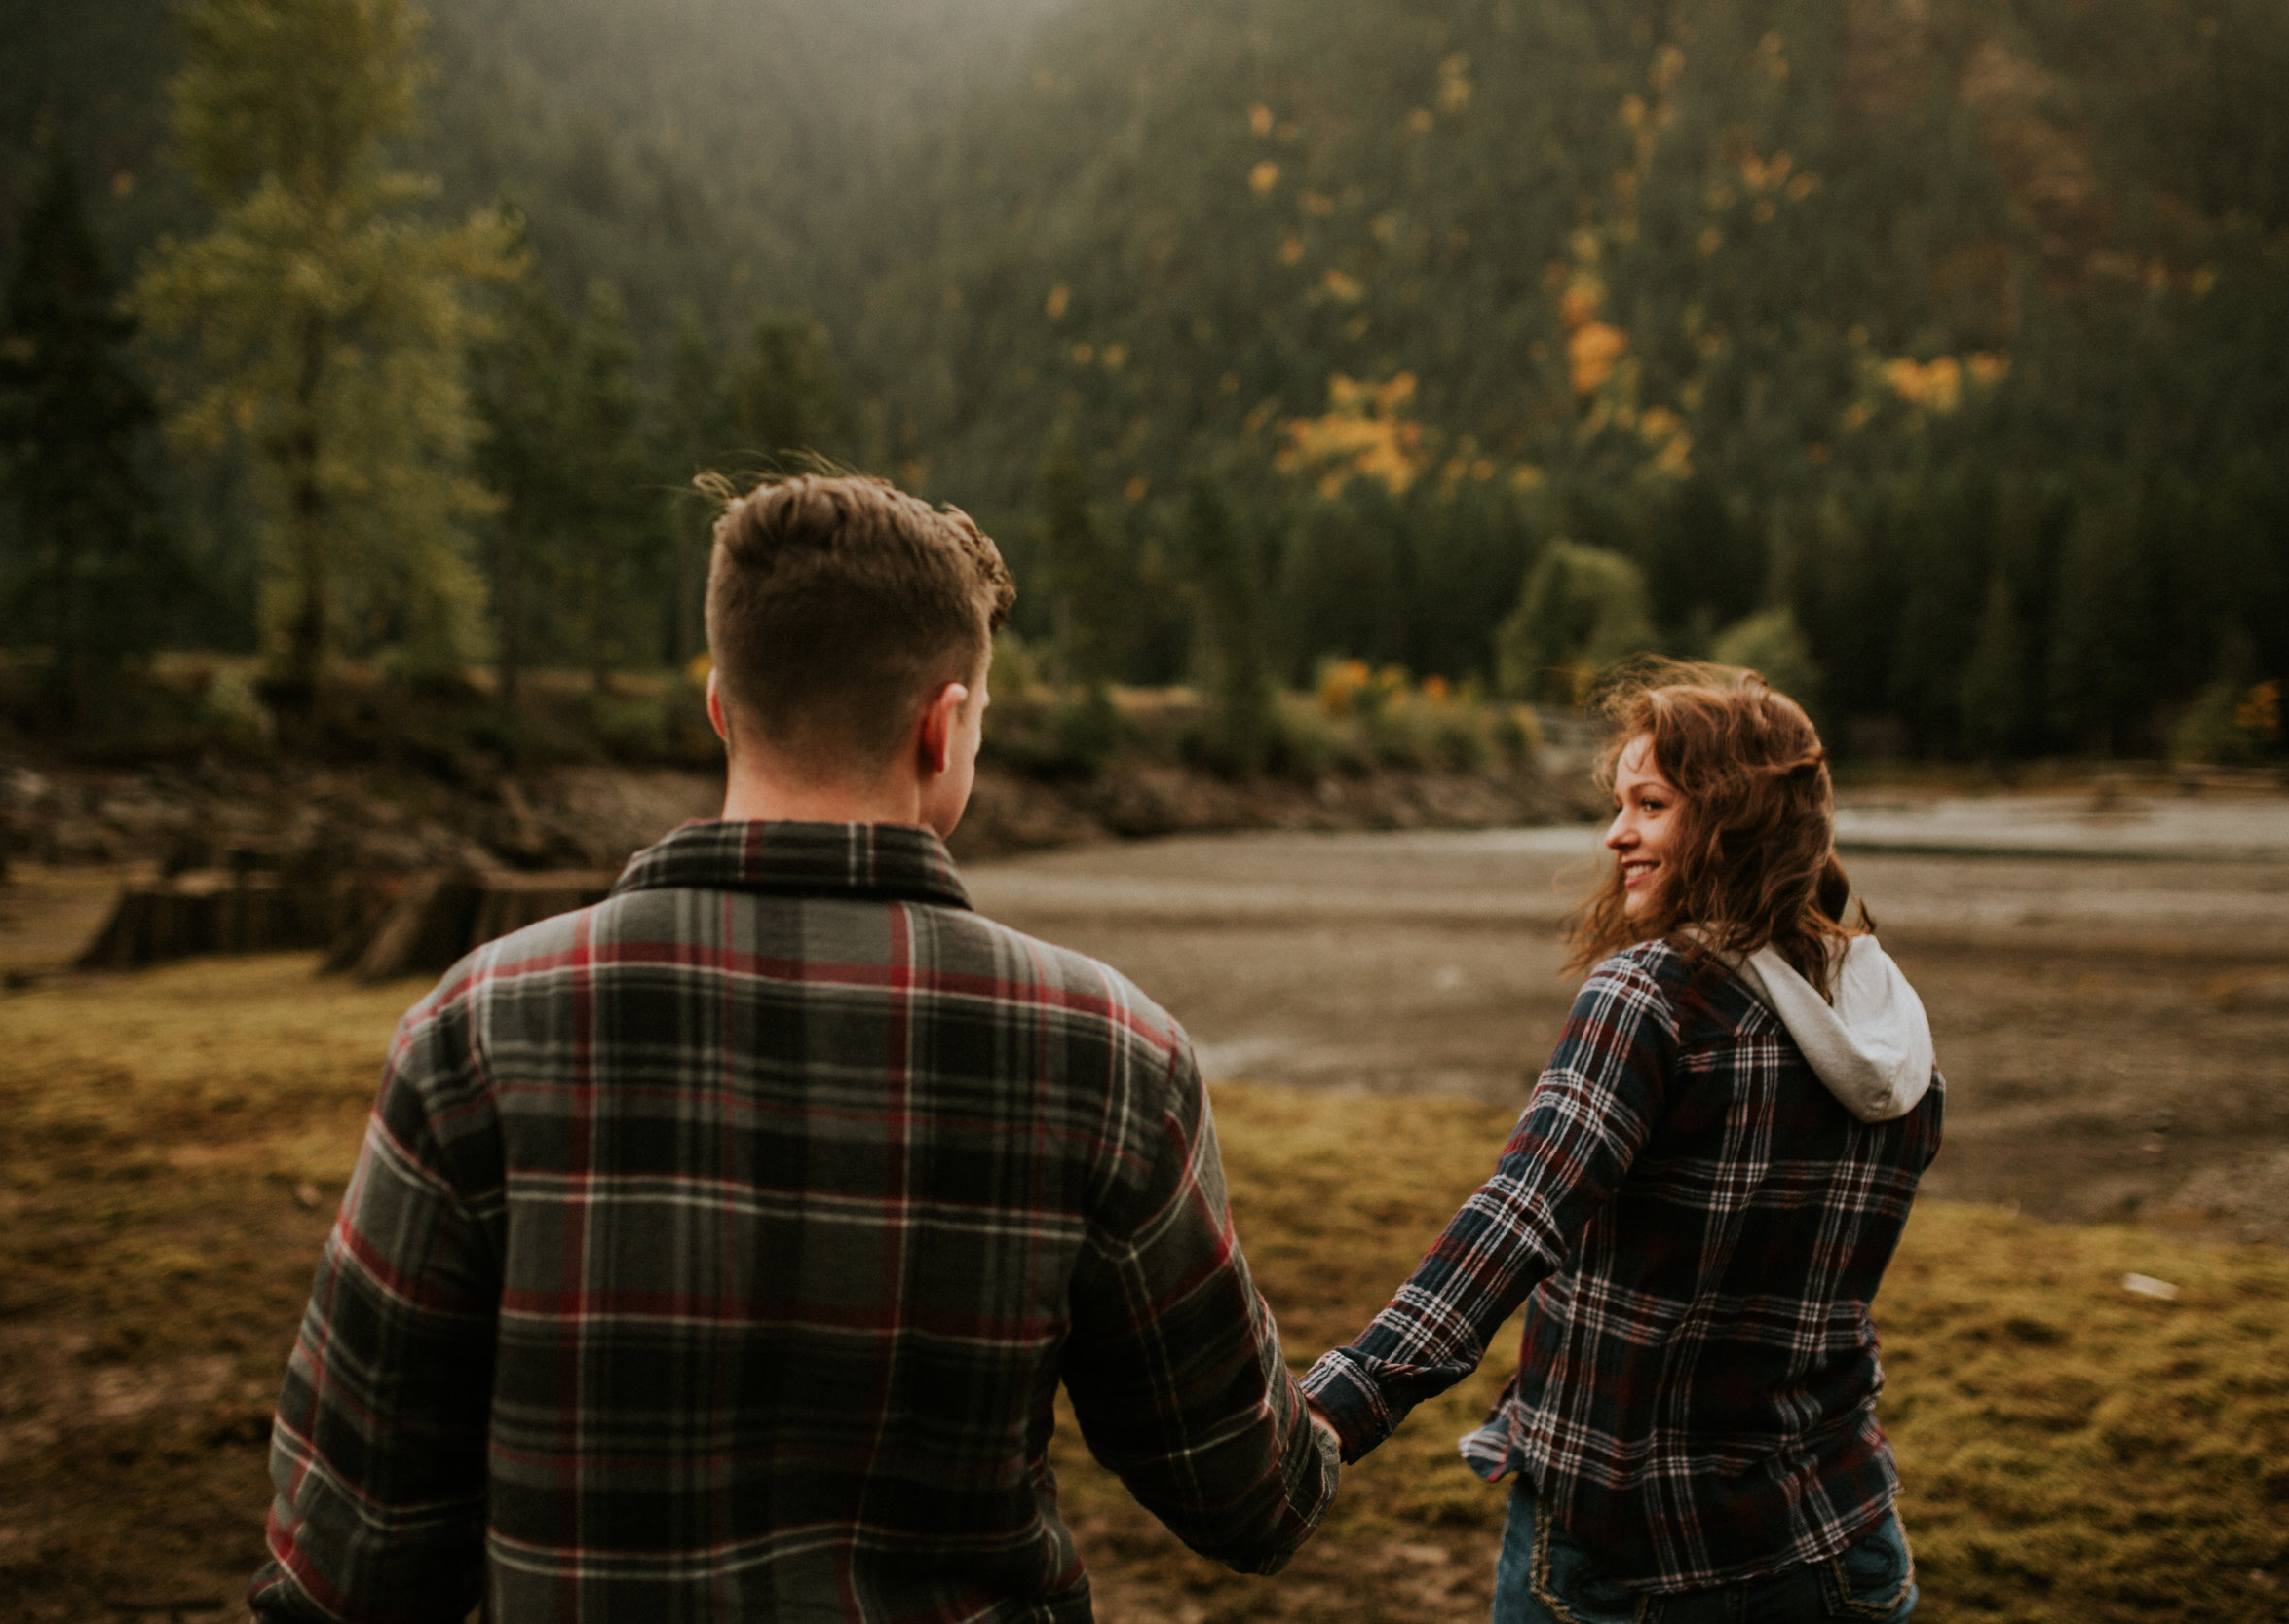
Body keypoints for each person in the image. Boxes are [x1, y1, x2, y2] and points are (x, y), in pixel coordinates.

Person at [249, 474, 1338, 1623]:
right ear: (943, 723)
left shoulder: (474, 1027)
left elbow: (346, 1565)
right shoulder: (1108, 1051)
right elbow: (1249, 1492)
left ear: (721, 705)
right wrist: (1362, 1390)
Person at [1301, 663, 1943, 1624]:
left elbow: (1519, 1213)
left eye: (1650, 803)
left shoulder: (1653, 992)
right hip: (1837, 1542)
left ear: (1730, 815)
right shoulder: (1891, 1024)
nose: (1616, 834)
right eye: (1618, 803)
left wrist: (1340, 1403)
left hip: (1628, 1557)